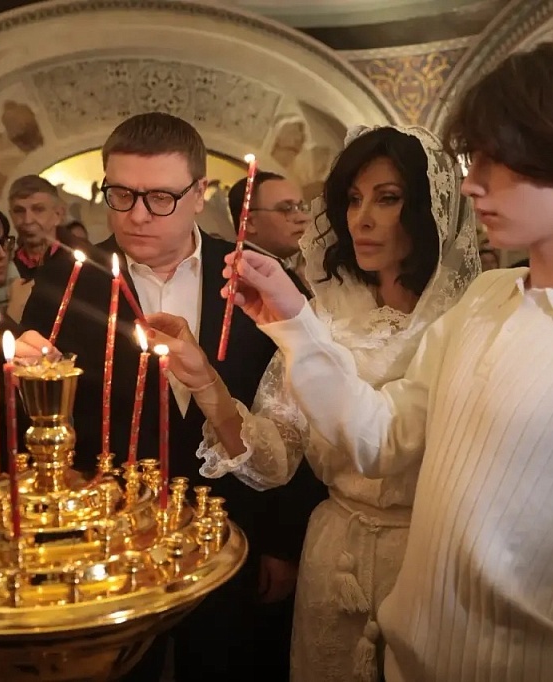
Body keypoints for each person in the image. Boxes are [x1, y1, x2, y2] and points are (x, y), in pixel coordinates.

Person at [157, 39, 553, 681]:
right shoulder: (486, 299)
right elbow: (381, 438)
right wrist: (294, 321)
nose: (472, 184)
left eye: (497, 159)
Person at [146, 125, 480, 682]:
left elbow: (394, 441)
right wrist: (206, 382)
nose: (362, 219)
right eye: (353, 199)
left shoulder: (469, 319)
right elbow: (273, 460)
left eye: (387, 199)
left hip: (432, 554)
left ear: (429, 210)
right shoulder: (326, 313)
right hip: (335, 554)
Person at [19, 112, 321, 682]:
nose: (136, 215)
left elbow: (303, 414)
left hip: (236, 528)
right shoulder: (68, 279)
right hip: (113, 542)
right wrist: (31, 380)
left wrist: (284, 542)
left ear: (199, 193)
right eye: (121, 194)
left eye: (160, 197)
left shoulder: (257, 275)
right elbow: (39, 412)